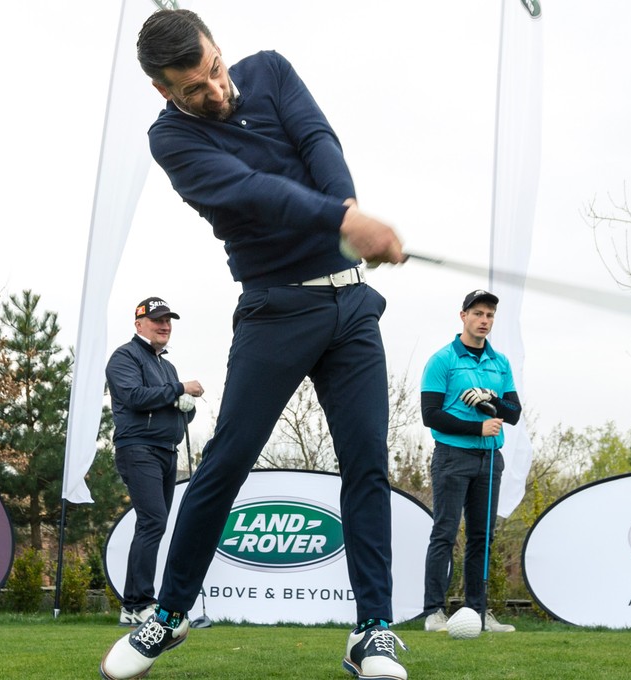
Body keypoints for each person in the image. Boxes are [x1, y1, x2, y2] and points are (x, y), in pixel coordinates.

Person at [101, 9, 408, 680]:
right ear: (162, 91)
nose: (214, 90)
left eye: (214, 70)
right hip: (275, 309)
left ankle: (373, 630)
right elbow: (252, 191)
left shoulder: (268, 69)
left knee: (366, 464)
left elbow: (317, 139)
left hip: (352, 305)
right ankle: (169, 613)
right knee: (227, 461)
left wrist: (348, 213)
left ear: (218, 48)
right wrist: (344, 220)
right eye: (192, 89)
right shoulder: (172, 140)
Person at [420, 290, 522, 634]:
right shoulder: (443, 360)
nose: (484, 320)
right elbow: (430, 415)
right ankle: (434, 612)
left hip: (490, 459)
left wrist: (491, 399)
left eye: (489, 315)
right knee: (445, 533)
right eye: (478, 313)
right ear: (463, 315)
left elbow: (514, 413)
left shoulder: (500, 362)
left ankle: (478, 613)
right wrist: (477, 426)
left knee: (482, 538)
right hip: (452, 456)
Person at [105, 297, 204, 627]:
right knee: (153, 522)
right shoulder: (125, 356)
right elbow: (133, 396)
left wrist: (187, 407)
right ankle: (141, 602)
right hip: (138, 448)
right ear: (139, 324)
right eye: (157, 320)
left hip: (166, 450)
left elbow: (174, 412)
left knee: (152, 524)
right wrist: (179, 389)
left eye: (168, 321)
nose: (164, 326)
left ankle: (132, 605)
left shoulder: (167, 366)